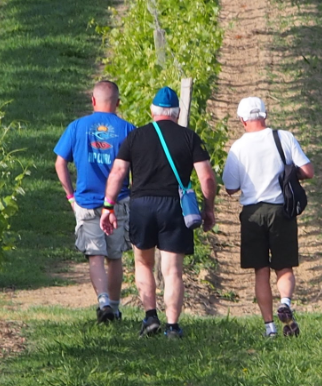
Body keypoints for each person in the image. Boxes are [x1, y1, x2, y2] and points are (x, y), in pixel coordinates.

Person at [99, 87, 216, 339]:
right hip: (174, 206)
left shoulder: (135, 137)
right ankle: (173, 327)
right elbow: (206, 177)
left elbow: (118, 173)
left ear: (152, 111)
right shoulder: (189, 137)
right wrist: (208, 208)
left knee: (143, 263)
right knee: (172, 270)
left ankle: (151, 316)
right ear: (178, 112)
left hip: (141, 205)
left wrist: (108, 207)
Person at [221, 95, 314, 338]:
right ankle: (285, 302)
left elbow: (230, 187)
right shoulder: (284, 137)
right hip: (280, 210)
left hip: (252, 212)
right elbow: (307, 171)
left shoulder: (238, 148)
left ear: (242, 120)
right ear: (265, 115)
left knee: (260, 270)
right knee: (284, 266)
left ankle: (270, 327)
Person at [54, 81, 137, 323]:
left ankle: (102, 302)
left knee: (95, 255)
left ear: (93, 101)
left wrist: (70, 196)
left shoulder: (77, 127)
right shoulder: (128, 129)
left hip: (87, 202)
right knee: (115, 256)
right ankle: (115, 306)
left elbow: (60, 162)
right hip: (118, 201)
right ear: (118, 103)